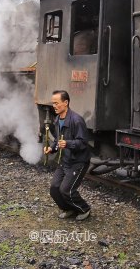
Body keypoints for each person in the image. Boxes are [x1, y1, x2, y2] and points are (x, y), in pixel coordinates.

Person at [43, 90, 92, 221]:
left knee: (66, 190)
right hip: (65, 160)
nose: (54, 105)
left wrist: (68, 143)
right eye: (53, 103)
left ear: (66, 103)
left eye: (56, 103)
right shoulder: (58, 119)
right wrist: (51, 149)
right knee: (54, 188)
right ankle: (68, 208)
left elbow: (83, 143)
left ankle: (84, 209)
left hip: (78, 162)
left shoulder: (77, 120)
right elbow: (58, 140)